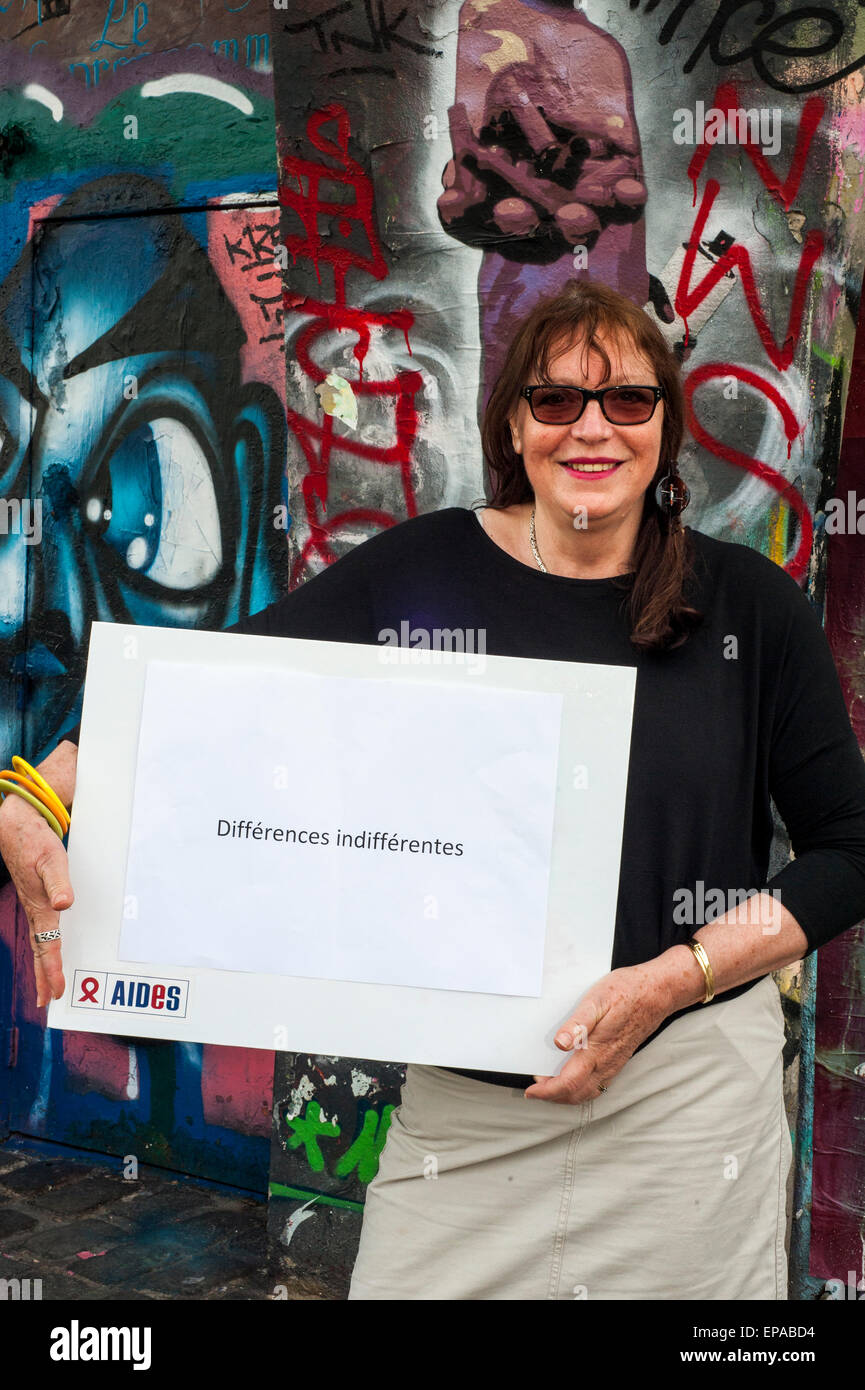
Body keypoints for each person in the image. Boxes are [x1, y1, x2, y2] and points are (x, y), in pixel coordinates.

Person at [4, 281, 865, 1300]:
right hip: (471, 1108)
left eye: (626, 401)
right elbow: (215, 694)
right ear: (511, 423)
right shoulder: (426, 569)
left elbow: (846, 852)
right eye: (555, 401)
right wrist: (44, 787)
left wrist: (674, 977)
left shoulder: (748, 607)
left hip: (681, 1101)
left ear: (667, 427)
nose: (591, 427)